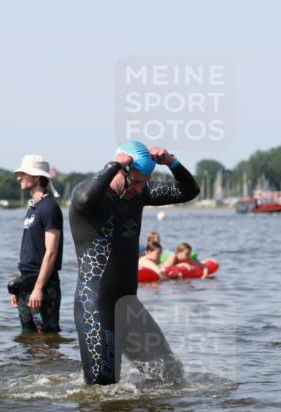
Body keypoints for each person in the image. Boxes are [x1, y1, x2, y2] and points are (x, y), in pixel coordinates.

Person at [69, 141, 199, 384]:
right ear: (121, 170)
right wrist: (115, 163)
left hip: (128, 305)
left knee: (171, 376)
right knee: (103, 389)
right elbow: (84, 199)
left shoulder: (139, 195)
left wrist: (172, 162)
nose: (141, 189)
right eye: (137, 181)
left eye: (144, 182)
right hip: (96, 306)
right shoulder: (89, 196)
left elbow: (189, 191)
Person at [11, 155, 63, 333]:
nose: (19, 177)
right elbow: (30, 251)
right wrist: (19, 288)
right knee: (27, 339)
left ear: (37, 177)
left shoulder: (49, 208)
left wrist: (39, 288)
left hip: (44, 286)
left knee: (47, 340)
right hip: (26, 285)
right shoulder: (33, 208)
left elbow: (51, 252)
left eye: (24, 173)